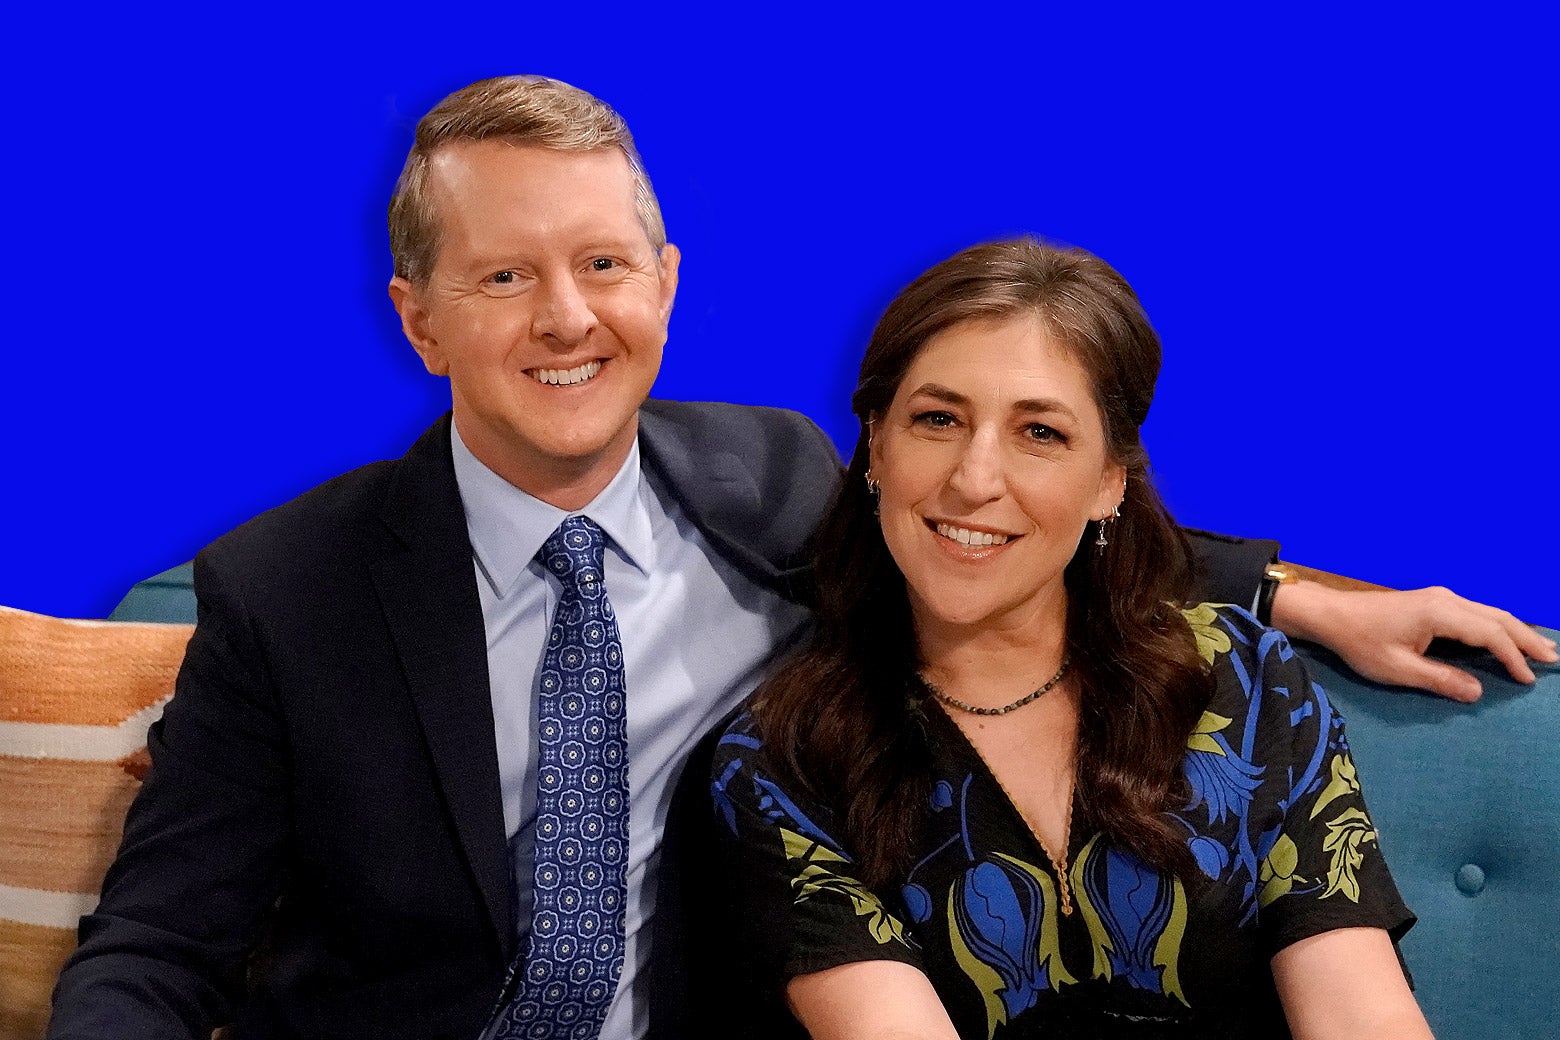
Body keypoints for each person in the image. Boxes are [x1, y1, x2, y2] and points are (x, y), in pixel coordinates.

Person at [47, 76, 1549, 1040]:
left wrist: (1314, 600)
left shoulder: (767, 476)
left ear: (665, 285)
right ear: (418, 318)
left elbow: (1010, 529)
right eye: (505, 277)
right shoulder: (286, 591)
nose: (568, 318)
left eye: (604, 266)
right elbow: (158, 945)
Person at [706, 240, 1434, 1039]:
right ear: (877, 445)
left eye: (1040, 433)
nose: (975, 479)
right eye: (938, 419)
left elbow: (1362, 1015)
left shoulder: (1250, 683)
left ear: (1108, 482)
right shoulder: (787, 758)